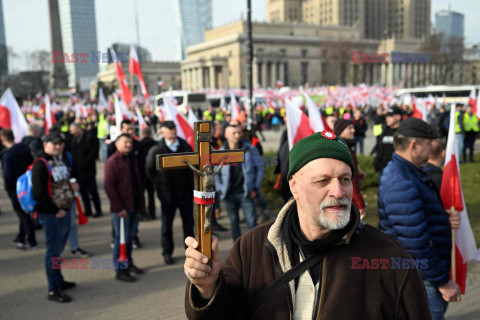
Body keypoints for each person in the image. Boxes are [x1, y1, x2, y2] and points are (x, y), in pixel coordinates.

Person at [184, 130, 431, 319]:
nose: (338, 191)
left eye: (344, 179)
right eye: (323, 180)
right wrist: (207, 288)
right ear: (294, 186)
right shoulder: (251, 248)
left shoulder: (389, 258)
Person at [378, 118, 461, 319]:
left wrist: (442, 217)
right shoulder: (400, 179)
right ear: (413, 145)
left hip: (425, 274)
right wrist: (442, 281)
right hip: (423, 278)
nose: (432, 147)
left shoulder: (409, 172)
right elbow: (414, 242)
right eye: (428, 142)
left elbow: (415, 219)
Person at [31, 133, 80, 303]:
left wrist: (74, 186)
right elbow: (38, 193)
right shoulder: (41, 164)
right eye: (54, 143)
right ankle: (53, 289)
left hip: (64, 212)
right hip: (52, 215)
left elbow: (65, 182)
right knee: (53, 252)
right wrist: (54, 210)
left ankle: (58, 280)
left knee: (58, 251)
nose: (58, 146)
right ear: (45, 144)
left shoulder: (61, 160)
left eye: (60, 144)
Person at [146, 121, 194, 265]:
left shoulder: (184, 145)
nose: (173, 131)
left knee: (188, 224)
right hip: (168, 195)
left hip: (185, 192)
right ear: (162, 131)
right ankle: (167, 252)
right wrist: (160, 185)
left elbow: (193, 163)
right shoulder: (157, 149)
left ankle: (191, 252)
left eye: (174, 128)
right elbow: (150, 170)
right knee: (167, 225)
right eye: (169, 129)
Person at [104, 134, 145, 282]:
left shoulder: (131, 159)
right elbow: (108, 186)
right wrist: (118, 208)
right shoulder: (112, 162)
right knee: (121, 239)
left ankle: (128, 263)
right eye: (125, 142)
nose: (128, 145)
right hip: (122, 208)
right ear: (116, 144)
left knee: (129, 237)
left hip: (133, 205)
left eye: (130, 142)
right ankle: (120, 270)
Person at [215, 125, 265, 241]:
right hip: (229, 194)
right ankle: (237, 251)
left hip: (246, 192)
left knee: (252, 223)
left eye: (239, 132)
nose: (237, 135)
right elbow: (215, 173)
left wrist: (256, 188)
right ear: (226, 135)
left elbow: (260, 168)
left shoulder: (250, 149)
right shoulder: (220, 153)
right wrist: (221, 189)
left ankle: (254, 248)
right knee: (234, 222)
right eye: (233, 133)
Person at [0, 129, 36, 250]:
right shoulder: (24, 149)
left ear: (3, 139)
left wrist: (7, 187)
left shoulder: (7, 155)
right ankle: (21, 235)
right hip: (27, 184)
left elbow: (7, 175)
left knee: (22, 213)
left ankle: (31, 240)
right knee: (23, 211)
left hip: (16, 187)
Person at [334, 120, 367, 218]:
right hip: (349, 200)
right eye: (349, 128)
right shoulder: (346, 151)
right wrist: (360, 204)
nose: (353, 130)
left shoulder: (338, 147)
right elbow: (352, 181)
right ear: (341, 131)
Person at [69, 123, 102, 218]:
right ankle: (88, 210)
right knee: (83, 192)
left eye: (73, 130)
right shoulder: (74, 140)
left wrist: (84, 164)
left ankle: (98, 210)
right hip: (79, 172)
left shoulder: (88, 138)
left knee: (93, 191)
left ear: (79, 129)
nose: (72, 133)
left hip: (89, 170)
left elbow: (93, 153)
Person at [373, 106, 402, 174]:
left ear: (398, 117)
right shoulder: (384, 130)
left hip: (398, 170)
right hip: (384, 168)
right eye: (386, 116)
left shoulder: (403, 132)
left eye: (390, 116)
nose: (387, 118)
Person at [139, 127, 157, 220]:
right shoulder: (155, 143)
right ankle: (152, 212)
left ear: (142, 133)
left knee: (141, 195)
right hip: (152, 174)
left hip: (142, 173)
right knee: (151, 195)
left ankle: (143, 212)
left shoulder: (139, 144)